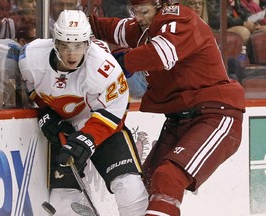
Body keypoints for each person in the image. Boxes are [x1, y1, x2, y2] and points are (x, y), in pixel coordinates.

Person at [89, 0, 245, 215]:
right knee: (145, 186)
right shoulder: (143, 28)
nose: (139, 18)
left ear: (160, 6)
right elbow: (107, 28)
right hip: (178, 120)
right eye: (135, 12)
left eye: (144, 11)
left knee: (168, 176)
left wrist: (121, 61)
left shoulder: (179, 16)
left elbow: (161, 54)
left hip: (214, 115)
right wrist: (75, 26)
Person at [18, 9, 148, 216]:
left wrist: (86, 139)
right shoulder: (31, 58)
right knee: (62, 202)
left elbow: (116, 113)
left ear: (87, 44)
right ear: (55, 43)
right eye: (65, 46)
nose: (72, 54)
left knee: (130, 188)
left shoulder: (105, 68)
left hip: (102, 126)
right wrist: (46, 114)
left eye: (78, 46)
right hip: (67, 126)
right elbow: (35, 93)